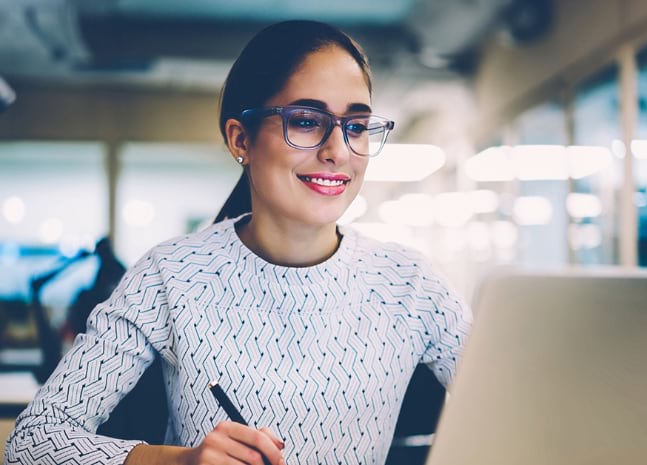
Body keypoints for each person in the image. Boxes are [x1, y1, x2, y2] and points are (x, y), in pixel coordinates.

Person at [4, 20, 472, 465]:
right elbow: (34, 441)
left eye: (355, 126)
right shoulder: (172, 275)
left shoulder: (411, 284)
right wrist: (179, 461)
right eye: (307, 121)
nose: (337, 150)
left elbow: (527, 412)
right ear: (240, 138)